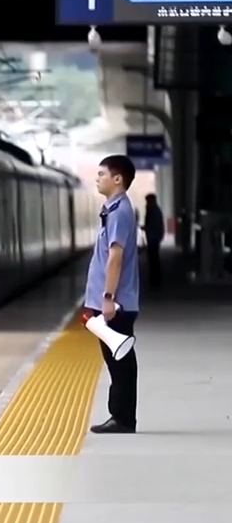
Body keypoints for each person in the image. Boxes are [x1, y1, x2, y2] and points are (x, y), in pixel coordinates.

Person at [84, 155, 141, 434]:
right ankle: (121, 416)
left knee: (120, 360)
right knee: (117, 360)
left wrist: (107, 298)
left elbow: (115, 257)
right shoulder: (114, 209)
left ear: (117, 179)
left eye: (101, 174)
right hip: (114, 301)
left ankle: (122, 418)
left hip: (116, 303)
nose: (97, 179)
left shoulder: (119, 212)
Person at [143, 193, 164, 289]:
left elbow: (153, 225)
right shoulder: (154, 210)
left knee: (153, 260)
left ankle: (155, 281)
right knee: (154, 260)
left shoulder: (153, 211)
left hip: (153, 238)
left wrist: (147, 229)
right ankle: (155, 280)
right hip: (153, 238)